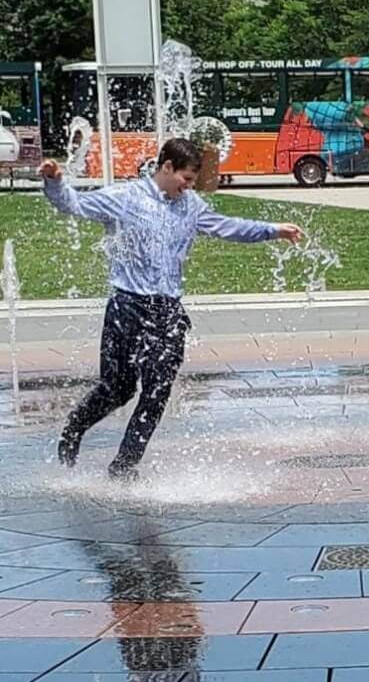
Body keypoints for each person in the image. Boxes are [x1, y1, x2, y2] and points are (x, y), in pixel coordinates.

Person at [39, 137, 303, 481]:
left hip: (167, 310)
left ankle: (125, 465)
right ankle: (74, 429)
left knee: (158, 389)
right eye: (186, 179)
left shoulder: (190, 206)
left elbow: (226, 226)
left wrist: (272, 231)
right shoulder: (124, 198)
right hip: (127, 305)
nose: (189, 187)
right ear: (166, 167)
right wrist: (55, 180)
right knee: (118, 389)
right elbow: (73, 205)